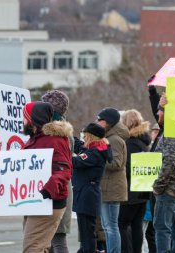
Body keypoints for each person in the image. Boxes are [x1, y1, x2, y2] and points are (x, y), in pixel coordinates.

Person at [22, 101, 73, 252]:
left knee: (32, 248)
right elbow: (19, 168)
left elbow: (64, 170)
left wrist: (49, 188)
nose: (22, 121)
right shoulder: (33, 140)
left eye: (24, 117)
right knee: (42, 247)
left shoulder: (55, 140)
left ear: (33, 119)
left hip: (49, 201)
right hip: (34, 201)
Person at [153, 93, 175, 253]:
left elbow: (169, 162)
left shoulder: (172, 134)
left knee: (162, 229)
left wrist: (158, 186)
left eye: (160, 110)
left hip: (169, 191)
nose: (157, 113)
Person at [41, 90, 74, 253]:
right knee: (51, 241)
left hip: (58, 189)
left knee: (58, 240)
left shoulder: (59, 136)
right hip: (56, 187)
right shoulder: (65, 133)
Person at [72, 123, 112, 252]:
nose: (83, 138)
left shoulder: (95, 153)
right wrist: (67, 135)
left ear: (91, 137)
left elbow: (77, 162)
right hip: (85, 195)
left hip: (87, 197)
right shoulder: (93, 149)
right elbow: (78, 146)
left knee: (87, 234)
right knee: (86, 234)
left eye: (85, 136)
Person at [96, 107, 129, 253]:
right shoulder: (109, 137)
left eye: (100, 119)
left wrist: (99, 155)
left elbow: (116, 163)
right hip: (108, 187)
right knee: (108, 226)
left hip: (112, 189)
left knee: (111, 227)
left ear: (108, 122)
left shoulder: (114, 140)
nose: (97, 121)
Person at [118, 109, 151, 253]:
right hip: (143, 191)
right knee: (137, 225)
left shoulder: (130, 143)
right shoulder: (144, 142)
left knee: (122, 224)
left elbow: (128, 168)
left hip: (130, 192)